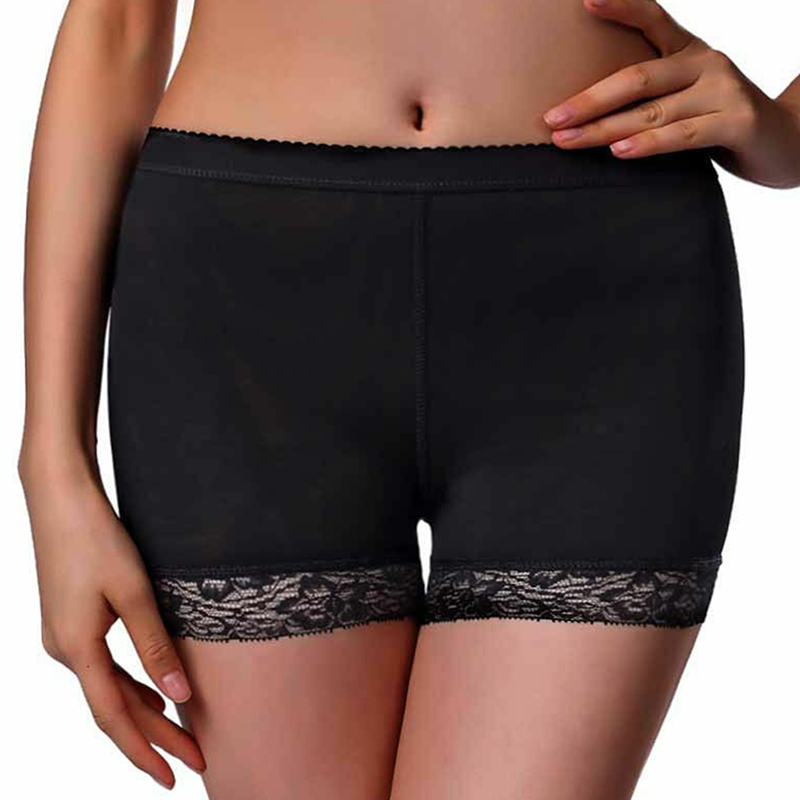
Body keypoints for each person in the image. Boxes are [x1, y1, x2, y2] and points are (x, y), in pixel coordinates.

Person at [18, 0, 799, 797]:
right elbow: (118, 22)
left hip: (601, 291)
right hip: (242, 302)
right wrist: (53, 463)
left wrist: (788, 129)